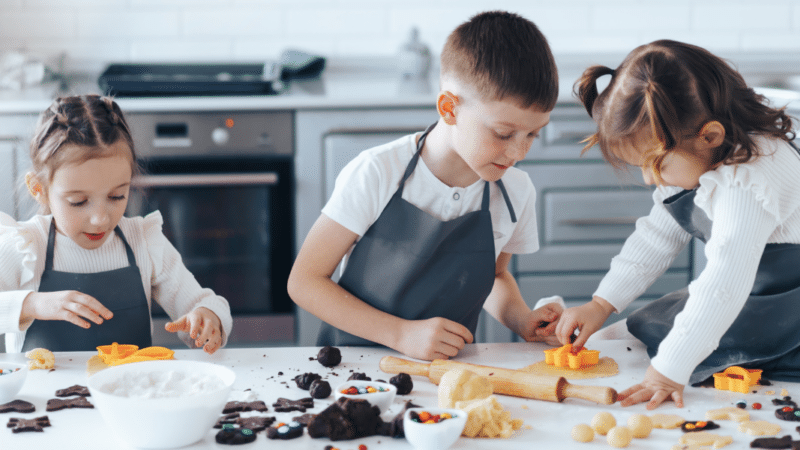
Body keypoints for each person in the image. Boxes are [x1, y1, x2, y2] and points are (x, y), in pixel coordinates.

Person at [288, 11, 563, 361]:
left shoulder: (515, 192)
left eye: (533, 135)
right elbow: (305, 281)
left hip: (449, 373)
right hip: (356, 371)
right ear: (449, 108)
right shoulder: (378, 172)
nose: (518, 152)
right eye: (503, 133)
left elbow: (495, 275)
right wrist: (400, 334)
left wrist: (521, 318)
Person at [556, 40, 800, 409]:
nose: (648, 180)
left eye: (656, 165)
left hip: (784, 308)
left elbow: (723, 285)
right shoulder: (702, 154)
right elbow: (657, 236)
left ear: (710, 136)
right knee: (640, 330)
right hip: (749, 294)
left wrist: (668, 372)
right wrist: (601, 304)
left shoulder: (748, 182)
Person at [0, 94, 232, 354]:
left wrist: (206, 318)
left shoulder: (144, 241)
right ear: (39, 189)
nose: (100, 219)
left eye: (116, 196)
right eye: (78, 201)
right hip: (40, 395)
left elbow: (204, 302)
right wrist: (31, 305)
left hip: (129, 392)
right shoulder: (26, 246)